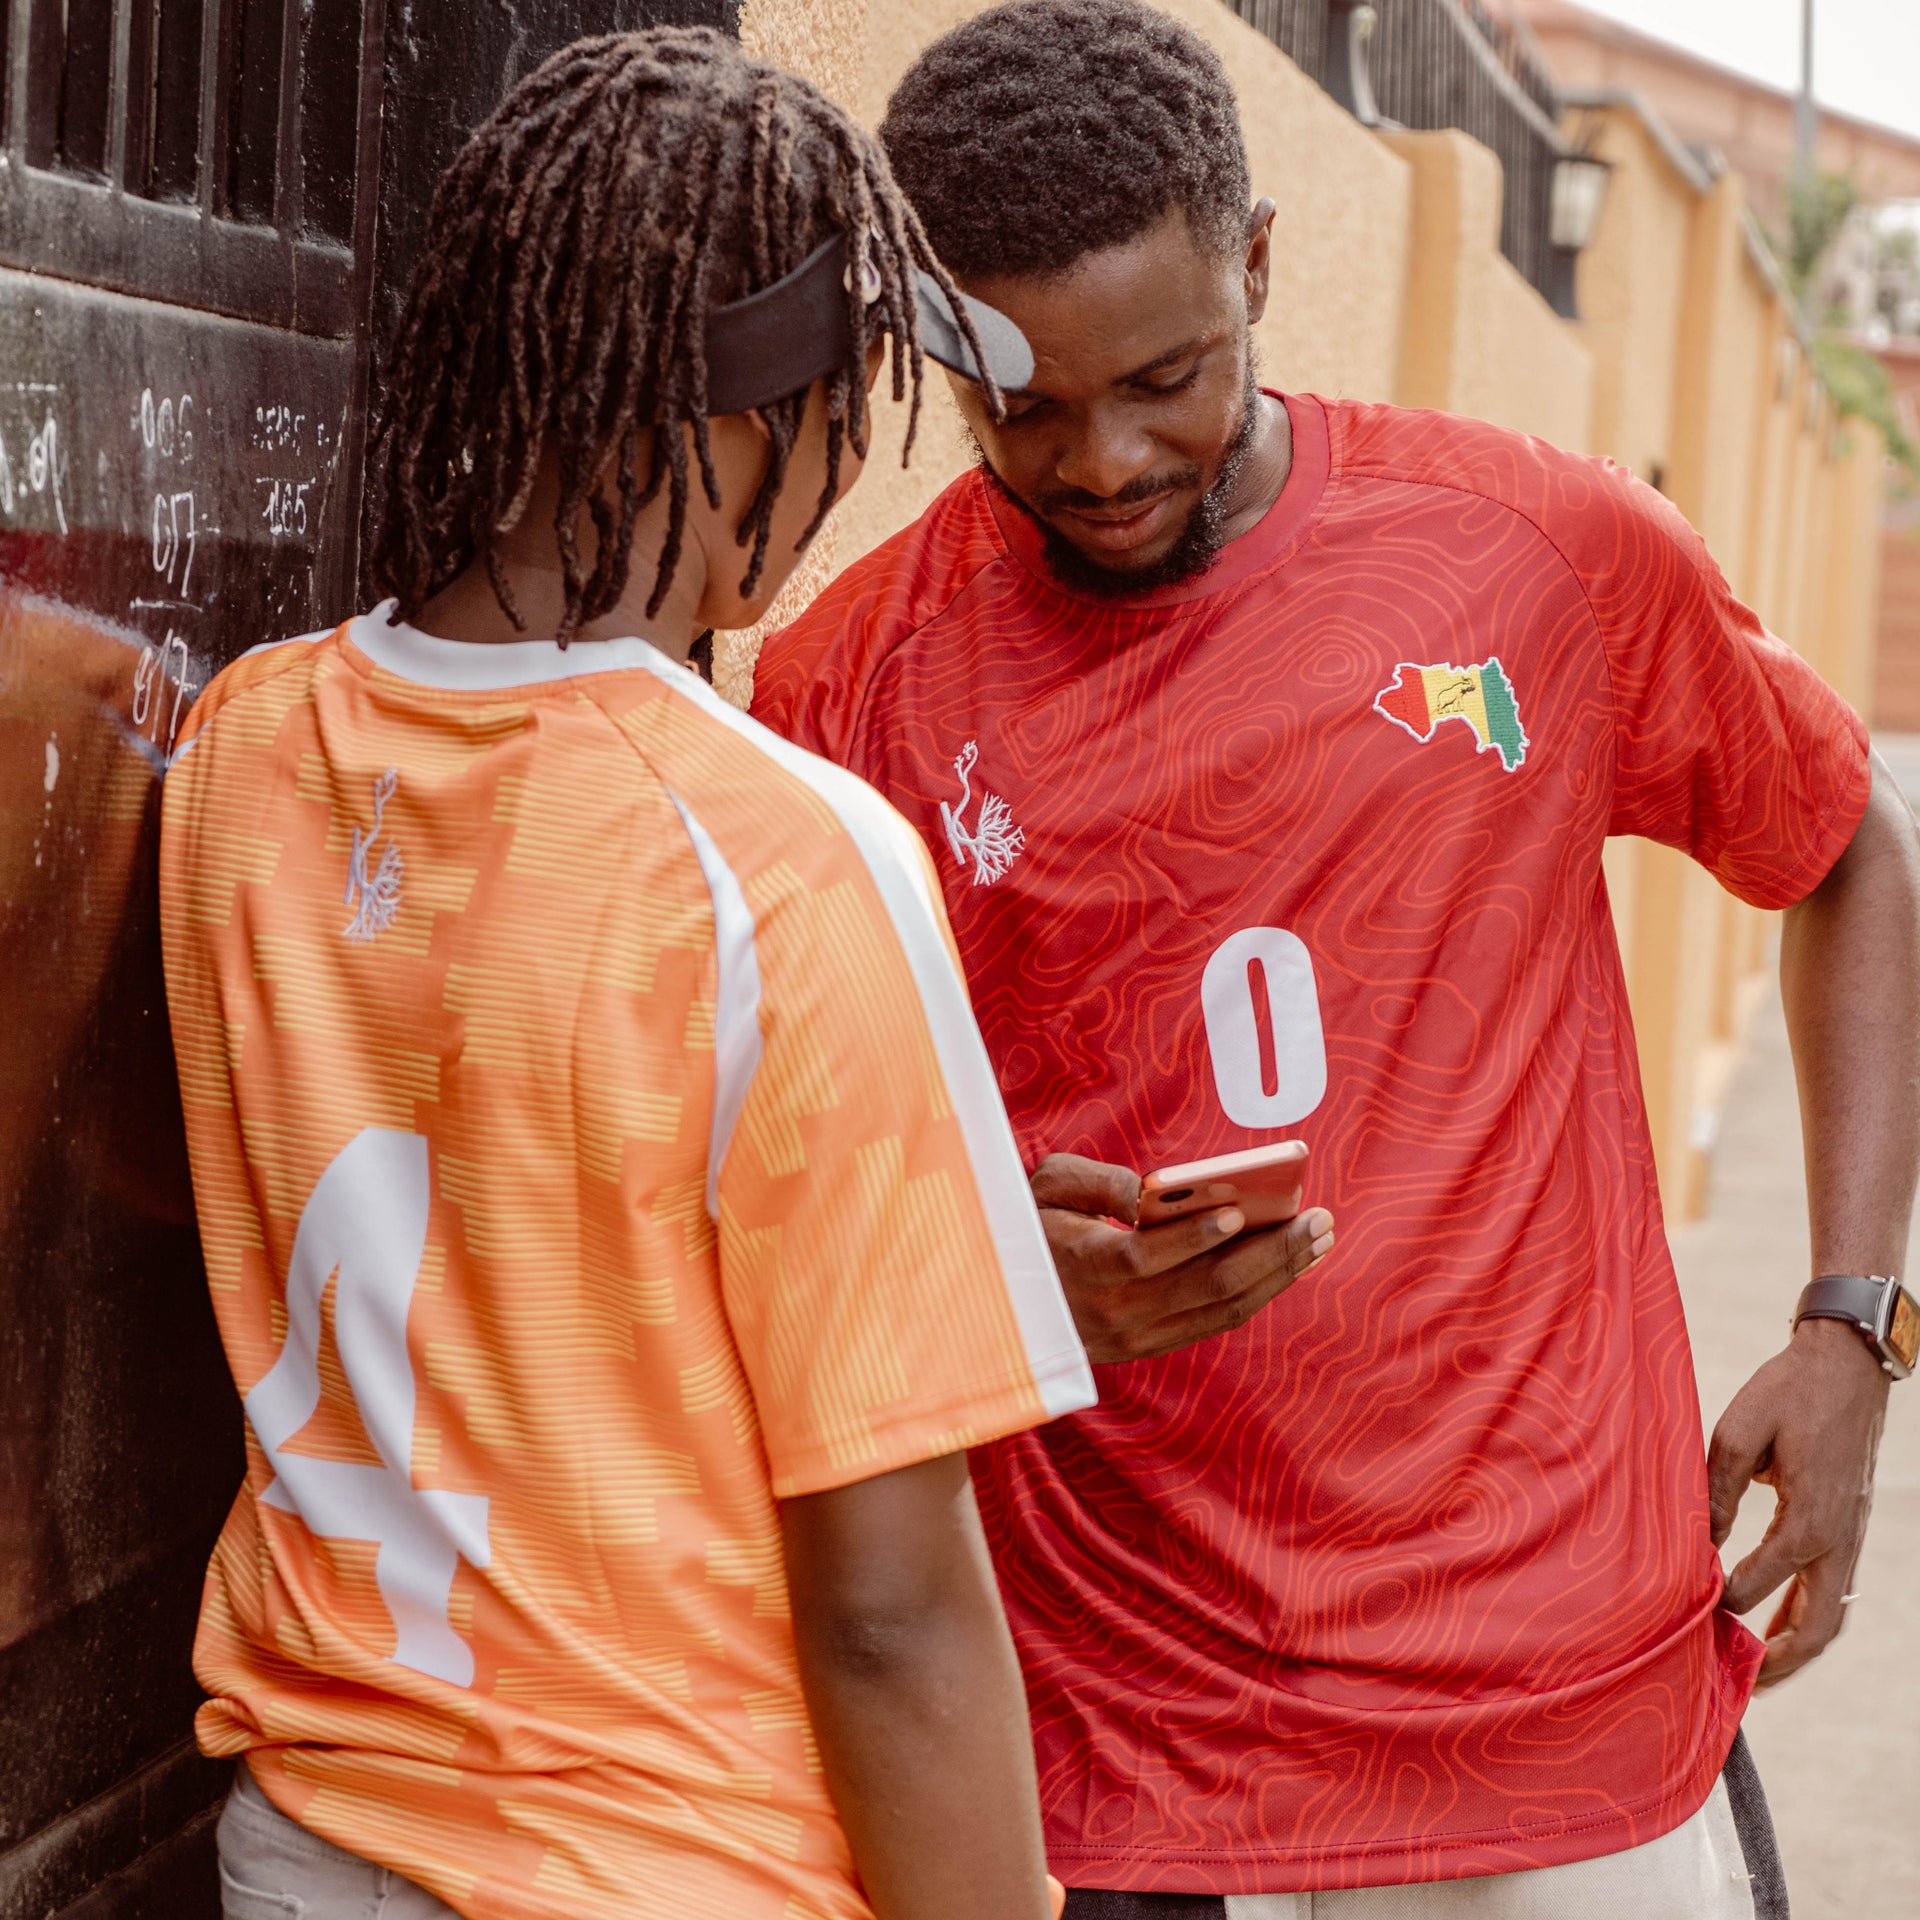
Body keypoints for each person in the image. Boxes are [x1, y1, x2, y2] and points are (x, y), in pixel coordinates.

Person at [748, 3, 1920, 1915]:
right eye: (1022, 406)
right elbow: (780, 1198)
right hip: (1116, 1759)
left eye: (1170, 375)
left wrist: (1853, 1320)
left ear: (1265, 268)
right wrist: (985, 1272)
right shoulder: (848, 690)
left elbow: (1853, 842)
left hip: (1556, 1728)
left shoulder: (1535, 557)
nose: (1105, 458)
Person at [159, 29, 1093, 1920]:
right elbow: (895, 1609)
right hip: (670, 1861)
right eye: (852, 403)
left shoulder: (243, 752)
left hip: (309, 1836)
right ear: (759, 416)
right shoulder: (786, 861)